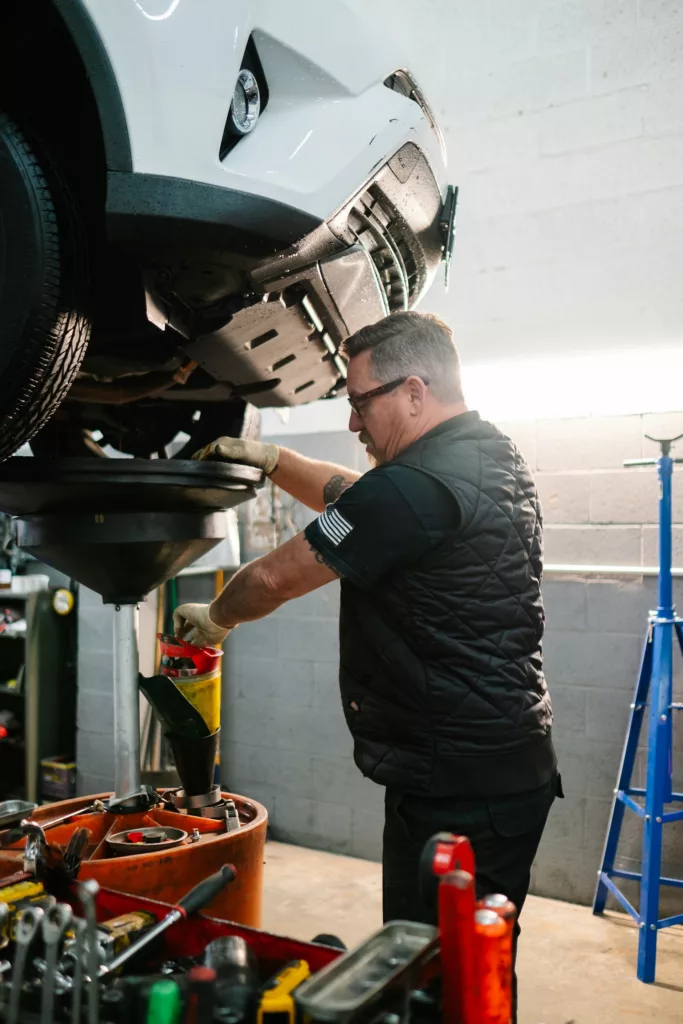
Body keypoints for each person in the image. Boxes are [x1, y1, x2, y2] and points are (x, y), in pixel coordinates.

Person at [174, 310, 559, 1010]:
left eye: (359, 402)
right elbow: (348, 493)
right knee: (478, 963)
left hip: (456, 784)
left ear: (414, 391)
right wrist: (271, 461)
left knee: (429, 977)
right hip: (496, 766)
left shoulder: (413, 487)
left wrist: (216, 618)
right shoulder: (479, 454)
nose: (352, 422)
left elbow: (272, 578)